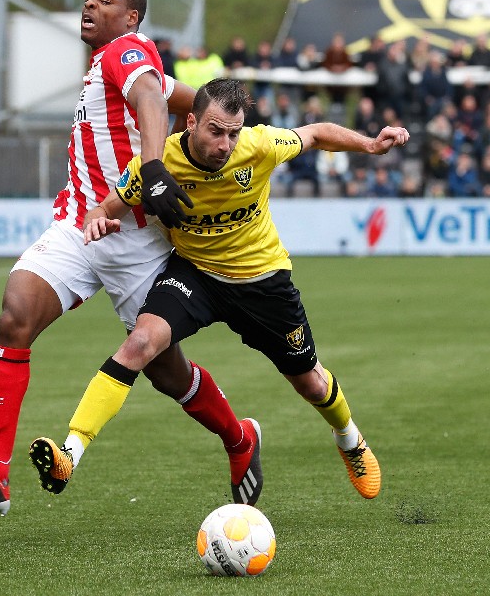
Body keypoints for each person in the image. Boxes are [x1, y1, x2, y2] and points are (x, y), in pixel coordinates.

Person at [28, 78, 410, 504]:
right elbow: (105, 206)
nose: (225, 144)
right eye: (215, 131)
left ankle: (349, 439)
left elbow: (317, 133)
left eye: (233, 133)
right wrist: (97, 218)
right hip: (196, 276)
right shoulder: (159, 163)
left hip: (262, 280)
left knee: (312, 385)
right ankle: (71, 453)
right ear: (191, 122)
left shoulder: (259, 146)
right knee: (141, 342)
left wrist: (370, 145)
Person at [0, 0, 241, 517]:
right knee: (14, 317)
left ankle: (239, 438)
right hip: (82, 226)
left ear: (131, 18)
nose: (90, 4)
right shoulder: (109, 63)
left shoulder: (126, 50)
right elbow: (179, 99)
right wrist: (202, 124)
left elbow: (149, 96)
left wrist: (156, 167)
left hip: (137, 241)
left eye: (105, 0)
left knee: (167, 373)